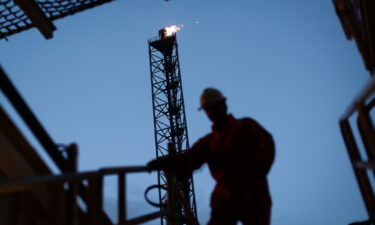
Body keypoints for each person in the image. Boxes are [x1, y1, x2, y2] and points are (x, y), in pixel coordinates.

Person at [148, 87, 275, 225]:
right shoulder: (209, 142)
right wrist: (163, 163)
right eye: (208, 109)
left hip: (254, 193)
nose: (211, 112)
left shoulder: (246, 125)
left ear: (224, 105)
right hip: (226, 196)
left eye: (213, 107)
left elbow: (267, 145)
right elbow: (187, 159)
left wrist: (259, 170)